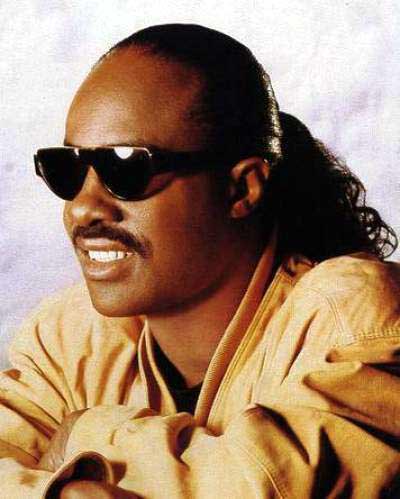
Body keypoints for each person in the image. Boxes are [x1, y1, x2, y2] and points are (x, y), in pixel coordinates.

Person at [2, 23, 400, 498]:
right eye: (65, 168)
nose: (83, 208)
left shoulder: (359, 319)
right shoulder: (70, 337)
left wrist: (80, 434)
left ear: (241, 188)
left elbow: (259, 488)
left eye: (127, 168)